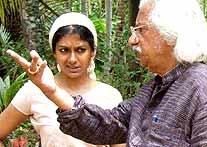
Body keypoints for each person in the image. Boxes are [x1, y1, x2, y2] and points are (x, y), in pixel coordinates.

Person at [5, 0, 207, 146]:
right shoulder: (153, 89)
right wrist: (52, 91)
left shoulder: (201, 86)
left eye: (139, 29)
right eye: (64, 50)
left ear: (169, 33)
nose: (132, 40)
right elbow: (106, 126)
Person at [0, 12, 126, 147]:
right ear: (54, 52)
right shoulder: (35, 90)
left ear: (92, 52)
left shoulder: (110, 95)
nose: (72, 59)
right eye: (64, 50)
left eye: (81, 50)